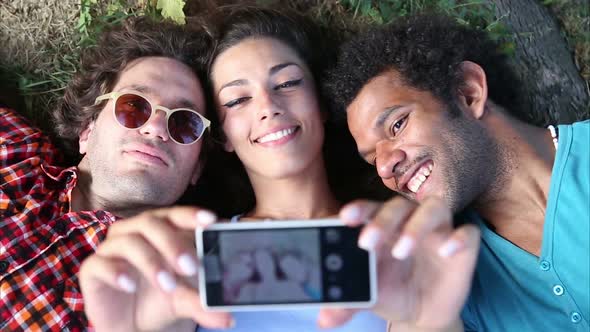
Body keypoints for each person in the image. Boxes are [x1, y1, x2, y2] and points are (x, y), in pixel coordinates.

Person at [77, 8, 481, 332]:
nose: (268, 106)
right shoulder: (191, 259)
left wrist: (432, 322)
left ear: (320, 105)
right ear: (222, 137)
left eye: (287, 83)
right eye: (236, 101)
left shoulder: (392, 248)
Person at [323, 13, 589, 332]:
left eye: (397, 125)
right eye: (371, 160)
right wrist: (422, 320)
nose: (384, 167)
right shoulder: (449, 270)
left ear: (468, 93)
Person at [0, 17, 216, 331]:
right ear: (88, 129)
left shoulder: (154, 299)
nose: (155, 127)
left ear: (197, 167)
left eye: (185, 123)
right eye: (133, 106)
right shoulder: (16, 151)